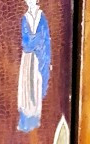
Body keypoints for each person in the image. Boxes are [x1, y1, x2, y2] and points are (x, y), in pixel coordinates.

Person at [17, 0, 51, 133]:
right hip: (28, 58)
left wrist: (35, 41)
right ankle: (25, 120)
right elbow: (26, 42)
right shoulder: (25, 18)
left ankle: (34, 120)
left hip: (39, 58)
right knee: (27, 88)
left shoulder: (42, 17)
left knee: (36, 86)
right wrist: (36, 40)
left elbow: (46, 39)